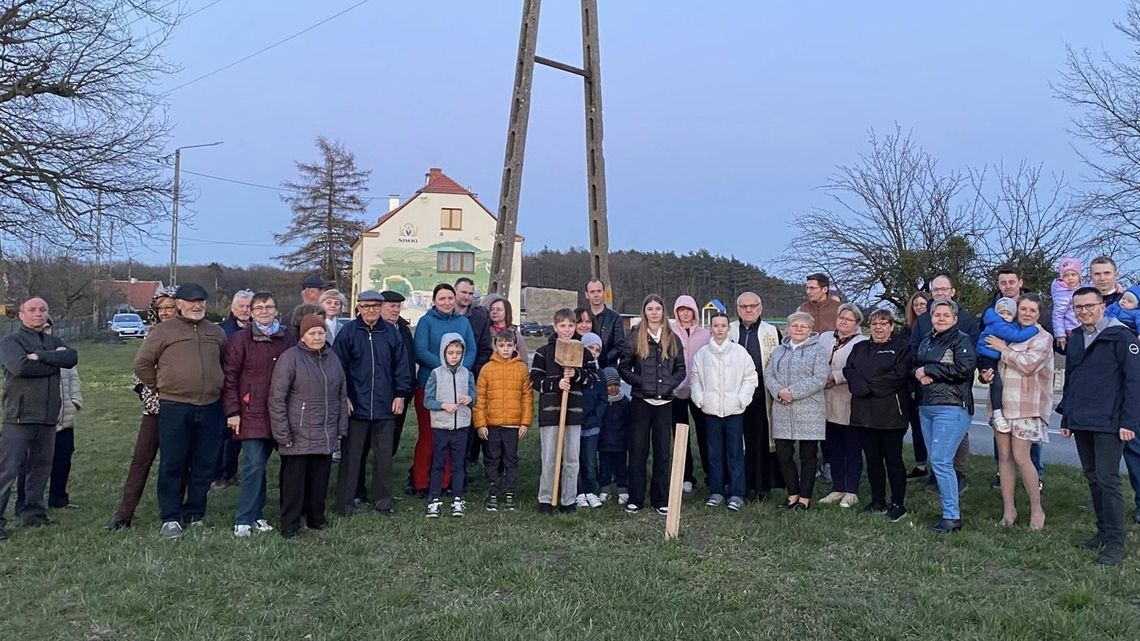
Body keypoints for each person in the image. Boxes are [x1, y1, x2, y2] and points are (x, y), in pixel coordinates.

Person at [133, 282, 227, 540]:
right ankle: (170, 517)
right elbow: (142, 364)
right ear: (180, 305)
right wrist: (162, 386)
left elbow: (224, 362)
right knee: (173, 462)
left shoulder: (216, 333)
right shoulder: (163, 332)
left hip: (210, 406)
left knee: (203, 463)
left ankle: (195, 513)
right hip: (175, 406)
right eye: (192, 301)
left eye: (202, 301)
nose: (197, 306)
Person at [1059, 287, 1140, 564]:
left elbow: (1134, 382)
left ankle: (1116, 544)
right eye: (1078, 307)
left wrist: (1129, 421)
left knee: (1108, 480)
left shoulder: (1121, 336)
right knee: (1093, 478)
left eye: (1089, 306)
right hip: (1082, 419)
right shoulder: (1077, 337)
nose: (1084, 311)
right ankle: (1103, 533)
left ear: (1102, 306)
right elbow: (1072, 379)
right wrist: (1067, 416)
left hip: (1111, 421)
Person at [0, 298, 79, 541]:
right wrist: (53, 360)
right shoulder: (11, 341)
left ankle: (33, 512)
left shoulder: (53, 340)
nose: (38, 314)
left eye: (43, 309)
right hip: (19, 416)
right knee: (7, 469)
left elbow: (71, 358)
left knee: (41, 466)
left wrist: (40, 357)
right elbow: (20, 367)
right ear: (21, 315)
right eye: (32, 310)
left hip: (48, 415)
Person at [222, 291, 297, 538]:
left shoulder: (288, 337)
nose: (264, 311)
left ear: (277, 310)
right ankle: (243, 517)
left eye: (269, 307)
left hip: (281, 411)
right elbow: (230, 378)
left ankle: (258, 514)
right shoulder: (241, 340)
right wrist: (233, 411)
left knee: (265, 465)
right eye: (259, 308)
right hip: (250, 410)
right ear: (251, 313)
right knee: (253, 465)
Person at [332, 290, 412, 516]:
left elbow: (402, 366)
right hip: (355, 406)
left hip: (385, 406)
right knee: (351, 457)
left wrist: (400, 394)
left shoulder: (391, 333)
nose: (371, 311)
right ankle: (345, 502)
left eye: (375, 306)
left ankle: (383, 501)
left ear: (380, 307)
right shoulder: (348, 333)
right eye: (366, 306)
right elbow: (338, 368)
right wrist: (343, 396)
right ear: (358, 308)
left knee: (384, 457)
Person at [105, 287, 179, 530]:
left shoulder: (189, 333)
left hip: (182, 406)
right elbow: (141, 369)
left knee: (176, 461)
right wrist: (154, 391)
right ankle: (124, 514)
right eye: (162, 308)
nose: (166, 312)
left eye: (171, 307)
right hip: (155, 408)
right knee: (141, 460)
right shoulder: (152, 334)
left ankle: (175, 512)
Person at [268, 314, 348, 538]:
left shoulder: (332, 358)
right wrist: (282, 433)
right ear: (303, 336)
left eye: (321, 333)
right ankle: (290, 524)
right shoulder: (290, 358)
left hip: (325, 430)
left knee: (320, 479)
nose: (317, 337)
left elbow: (342, 395)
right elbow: (277, 398)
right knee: (294, 483)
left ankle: (316, 518)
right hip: (298, 431)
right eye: (312, 333)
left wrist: (341, 427)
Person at [984, 294, 1053, 530]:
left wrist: (1003, 349)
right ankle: (1009, 510)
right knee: (1004, 457)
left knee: (1022, 457)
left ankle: (1037, 509)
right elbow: (992, 360)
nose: (1027, 313)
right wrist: (986, 373)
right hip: (1001, 404)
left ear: (1038, 313)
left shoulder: (1043, 337)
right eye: (1023, 309)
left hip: (1025, 405)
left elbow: (1028, 365)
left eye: (1032, 310)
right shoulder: (1008, 331)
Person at [914, 299, 977, 533]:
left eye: (945, 315)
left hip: (951, 406)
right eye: (936, 314)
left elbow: (964, 369)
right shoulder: (926, 341)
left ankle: (952, 517)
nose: (940, 318)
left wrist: (929, 370)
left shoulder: (961, 340)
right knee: (937, 461)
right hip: (926, 406)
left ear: (954, 318)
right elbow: (915, 365)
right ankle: (947, 510)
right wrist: (919, 372)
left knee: (941, 461)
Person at [844, 309, 912, 522]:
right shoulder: (859, 347)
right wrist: (860, 386)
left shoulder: (902, 347)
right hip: (864, 414)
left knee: (893, 459)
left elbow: (898, 375)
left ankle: (898, 503)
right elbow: (849, 370)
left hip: (891, 414)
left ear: (892, 326)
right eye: (874, 323)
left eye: (884, 323)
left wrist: (869, 386)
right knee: (872, 459)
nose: (878, 327)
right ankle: (877, 500)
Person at [620, 295, 685, 516]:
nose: (654, 312)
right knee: (638, 450)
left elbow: (681, 369)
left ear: (663, 311)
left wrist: (670, 384)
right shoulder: (635, 337)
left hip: (665, 403)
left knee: (662, 452)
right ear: (644, 311)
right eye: (650, 308)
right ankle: (636, 498)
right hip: (641, 402)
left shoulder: (672, 338)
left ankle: (660, 498)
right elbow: (624, 368)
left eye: (658, 308)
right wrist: (641, 383)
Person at [1088, 256, 1140, 521]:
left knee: (1134, 446)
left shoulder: (1129, 301)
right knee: (1098, 454)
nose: (1102, 277)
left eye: (1106, 272)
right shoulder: (1086, 302)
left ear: (1115, 273)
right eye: (1097, 273)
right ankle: (1102, 502)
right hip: (1098, 387)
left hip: (1125, 381)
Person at [411, 284, 476, 494]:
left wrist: (459, 370)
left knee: (453, 434)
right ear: (434, 300)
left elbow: (471, 349)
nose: (447, 302)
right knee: (429, 436)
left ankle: (447, 482)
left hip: (457, 386)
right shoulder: (426, 322)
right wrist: (445, 368)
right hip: (430, 383)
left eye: (450, 298)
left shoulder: (463, 322)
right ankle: (421, 481)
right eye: (442, 299)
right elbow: (420, 351)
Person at [531, 309, 598, 513]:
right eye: (562, 326)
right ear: (555, 327)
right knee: (550, 457)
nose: (566, 330)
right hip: (551, 413)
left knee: (571, 459)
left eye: (570, 325)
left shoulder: (583, 352)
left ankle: (568, 500)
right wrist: (556, 383)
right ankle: (546, 498)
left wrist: (576, 374)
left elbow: (593, 379)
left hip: (573, 412)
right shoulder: (544, 352)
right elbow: (534, 380)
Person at [690, 312, 758, 512]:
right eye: (716, 325)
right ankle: (716, 491)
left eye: (723, 325)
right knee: (714, 453)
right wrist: (700, 399)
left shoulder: (739, 352)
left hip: (734, 411)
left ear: (729, 328)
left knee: (736, 453)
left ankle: (737, 493)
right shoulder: (702, 354)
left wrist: (742, 399)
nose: (719, 329)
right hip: (711, 411)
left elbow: (750, 377)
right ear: (710, 328)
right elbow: (695, 378)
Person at [764, 312, 829, 511]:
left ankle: (805, 498)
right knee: (783, 454)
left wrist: (792, 392)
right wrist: (778, 392)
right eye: (795, 325)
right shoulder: (778, 351)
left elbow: (819, 378)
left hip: (809, 409)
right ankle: (792, 493)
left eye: (803, 326)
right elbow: (769, 374)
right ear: (788, 328)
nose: (799, 329)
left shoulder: (818, 350)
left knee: (808, 455)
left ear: (810, 330)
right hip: (783, 408)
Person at [729, 292, 782, 501]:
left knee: (760, 441)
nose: (748, 310)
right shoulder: (730, 329)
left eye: (752, 306)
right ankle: (740, 483)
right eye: (744, 306)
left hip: (762, 396)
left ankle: (761, 485)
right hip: (734, 395)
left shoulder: (771, 331)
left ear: (760, 308)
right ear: (738, 309)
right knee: (738, 441)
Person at [473, 329, 533, 512]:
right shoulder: (487, 369)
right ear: (495, 346)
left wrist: (525, 422)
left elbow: (527, 398)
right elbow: (480, 398)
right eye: (501, 345)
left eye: (509, 345)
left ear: (515, 346)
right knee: (492, 459)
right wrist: (480, 423)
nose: (505, 349)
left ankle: (509, 493)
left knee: (510, 459)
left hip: (512, 425)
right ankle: (492, 491)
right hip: (492, 425)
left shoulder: (521, 368)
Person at [817, 304, 868, 508]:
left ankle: (851, 490)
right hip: (826, 400)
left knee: (852, 448)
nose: (843, 321)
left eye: (848, 319)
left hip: (848, 400)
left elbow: (859, 368)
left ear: (857, 323)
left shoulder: (862, 342)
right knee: (833, 448)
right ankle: (837, 487)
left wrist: (836, 377)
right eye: (841, 318)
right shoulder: (825, 337)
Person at [424, 333, 476, 518]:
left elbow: (474, 398)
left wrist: (469, 399)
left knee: (458, 464)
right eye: (451, 352)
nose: (454, 356)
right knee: (438, 462)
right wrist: (443, 405)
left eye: (458, 352)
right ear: (443, 353)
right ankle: (434, 498)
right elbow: (427, 400)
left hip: (461, 426)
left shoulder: (467, 374)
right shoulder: (435, 374)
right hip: (441, 426)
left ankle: (457, 498)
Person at [977, 297, 1039, 432]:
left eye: (1009, 313)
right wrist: (1035, 329)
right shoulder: (997, 324)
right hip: (986, 358)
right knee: (996, 384)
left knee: (997, 383)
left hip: (993, 358)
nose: (1004, 316)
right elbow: (1016, 336)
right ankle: (997, 415)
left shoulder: (1006, 324)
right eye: (1001, 313)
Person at [214, 289, 255, 490]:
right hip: (226, 387)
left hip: (250, 388)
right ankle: (218, 474)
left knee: (240, 435)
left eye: (249, 307)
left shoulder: (258, 329)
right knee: (222, 433)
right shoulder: (222, 330)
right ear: (233, 308)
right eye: (242, 306)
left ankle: (231, 472)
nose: (245, 310)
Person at [670, 295, 711, 494]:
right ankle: (686, 476)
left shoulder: (705, 335)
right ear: (676, 312)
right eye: (681, 310)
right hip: (676, 391)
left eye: (688, 309)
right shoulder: (670, 333)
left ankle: (711, 473)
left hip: (699, 390)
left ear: (694, 311)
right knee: (680, 433)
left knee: (705, 433)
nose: (685, 313)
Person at [379, 290, 417, 493]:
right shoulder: (376, 328)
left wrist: (406, 390)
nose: (395, 309)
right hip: (380, 394)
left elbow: (409, 359)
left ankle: (385, 471)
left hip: (402, 394)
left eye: (398, 306)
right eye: (391, 306)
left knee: (394, 437)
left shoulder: (402, 327)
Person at [902, 291, 932, 479]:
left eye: (923, 304)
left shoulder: (935, 328)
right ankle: (921, 466)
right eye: (916, 305)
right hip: (910, 384)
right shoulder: (906, 331)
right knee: (916, 427)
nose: (919, 307)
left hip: (930, 384)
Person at [576, 333, 606, 509]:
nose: (593, 352)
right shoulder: (575, 371)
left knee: (589, 461)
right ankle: (578, 492)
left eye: (597, 350)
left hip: (592, 425)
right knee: (575, 460)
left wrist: (595, 418)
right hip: (575, 423)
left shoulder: (600, 374)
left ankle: (590, 491)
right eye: (590, 348)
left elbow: (603, 399)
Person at [596, 367, 630, 505]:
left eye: (615, 385)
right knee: (604, 469)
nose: (613, 388)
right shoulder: (601, 402)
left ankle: (623, 491)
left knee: (621, 468)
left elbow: (629, 422)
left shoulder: (625, 402)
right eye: (609, 385)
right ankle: (605, 490)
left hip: (620, 443)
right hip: (604, 444)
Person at [585, 278, 626, 369]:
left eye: (599, 291)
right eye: (592, 292)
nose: (596, 295)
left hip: (608, 369)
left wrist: (601, 360)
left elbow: (620, 346)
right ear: (587, 295)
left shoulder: (615, 318)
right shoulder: (581, 318)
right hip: (584, 369)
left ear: (604, 292)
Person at [1052, 257, 1083, 350]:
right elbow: (1057, 314)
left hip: (1082, 327)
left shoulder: (1079, 289)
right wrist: (1060, 334)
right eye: (1066, 276)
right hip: (1071, 330)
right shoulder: (1062, 293)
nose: (1070, 278)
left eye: (1073, 275)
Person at [485, 294, 527, 363]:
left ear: (507, 312)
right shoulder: (485, 332)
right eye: (492, 309)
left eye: (499, 309)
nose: (494, 312)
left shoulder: (515, 334)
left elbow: (523, 359)